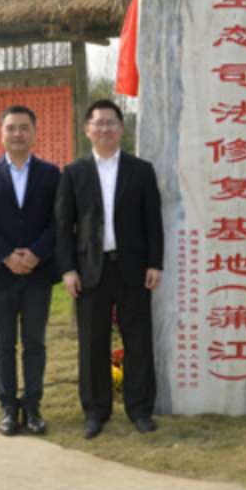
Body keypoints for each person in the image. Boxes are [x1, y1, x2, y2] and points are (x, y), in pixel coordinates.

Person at [54, 99, 164, 440]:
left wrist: (155, 263)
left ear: (122, 128)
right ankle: (95, 412)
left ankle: (140, 410)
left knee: (138, 341)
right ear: (87, 129)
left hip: (133, 269)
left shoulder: (141, 170)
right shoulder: (74, 172)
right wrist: (68, 270)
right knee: (92, 344)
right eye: (99, 123)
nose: (105, 129)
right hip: (91, 270)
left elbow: (153, 222)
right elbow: (63, 225)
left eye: (111, 122)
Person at [0, 105, 61, 436]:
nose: (17, 134)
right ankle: (8, 408)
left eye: (24, 127)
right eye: (11, 128)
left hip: (39, 272)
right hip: (0, 273)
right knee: (3, 344)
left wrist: (36, 253)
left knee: (34, 343)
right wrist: (6, 256)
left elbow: (59, 219)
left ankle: (32, 407)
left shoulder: (51, 174)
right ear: (1, 134)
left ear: (34, 133)